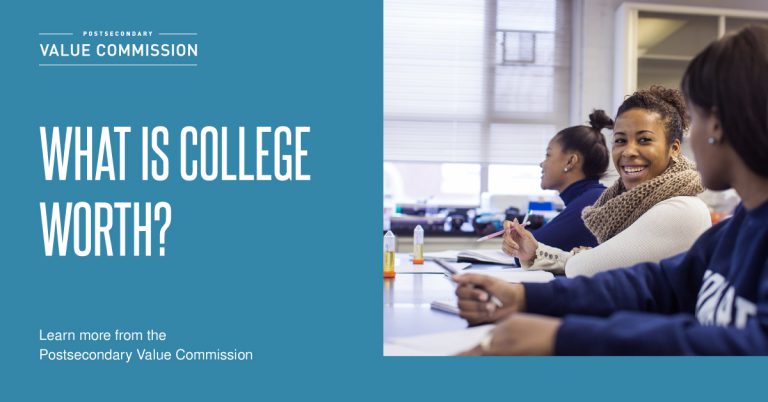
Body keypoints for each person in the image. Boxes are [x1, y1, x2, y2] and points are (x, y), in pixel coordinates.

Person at [454, 24, 768, 355]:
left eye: (696, 118)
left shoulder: (697, 213)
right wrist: (526, 297)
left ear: (715, 125)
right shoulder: (738, 228)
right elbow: (654, 285)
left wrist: (563, 338)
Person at [503, 86, 711, 277]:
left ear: (674, 149)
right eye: (620, 140)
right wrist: (535, 252)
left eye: (644, 140)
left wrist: (583, 256)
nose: (628, 151)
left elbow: (584, 267)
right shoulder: (621, 203)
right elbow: (593, 263)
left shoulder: (682, 209)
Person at [527, 110, 610, 251]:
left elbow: (528, 250)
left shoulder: (593, 201)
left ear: (570, 161)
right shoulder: (591, 196)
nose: (542, 163)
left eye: (548, 155)